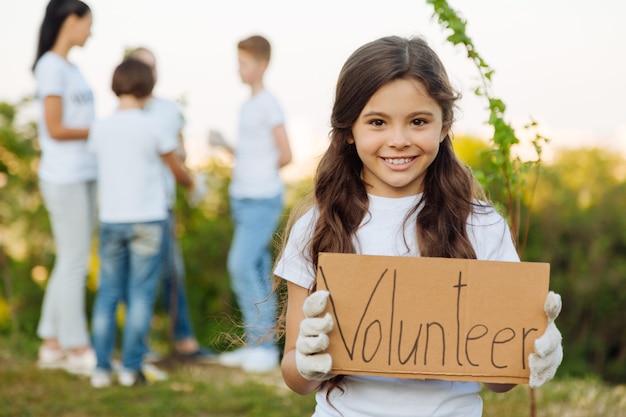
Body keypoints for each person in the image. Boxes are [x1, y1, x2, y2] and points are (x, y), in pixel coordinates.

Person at [273, 35, 563, 416]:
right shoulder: (318, 224)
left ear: (444, 126)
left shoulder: (481, 225)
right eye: (377, 122)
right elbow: (295, 377)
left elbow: (500, 380)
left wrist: (533, 350)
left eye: (418, 121)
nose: (398, 140)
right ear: (348, 129)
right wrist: (308, 361)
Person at [87, 58, 195, 387]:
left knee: (108, 294)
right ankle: (131, 368)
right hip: (148, 220)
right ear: (147, 87)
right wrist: (192, 185)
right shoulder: (152, 126)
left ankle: (101, 368)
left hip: (111, 220)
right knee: (140, 295)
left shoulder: (100, 127)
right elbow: (176, 169)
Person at [125, 46, 214, 363]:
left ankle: (183, 341)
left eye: (153, 66)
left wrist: (173, 157)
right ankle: (138, 345)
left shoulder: (167, 109)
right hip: (130, 206)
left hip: (161, 204)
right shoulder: (125, 111)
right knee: (136, 277)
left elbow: (181, 153)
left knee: (172, 274)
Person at [216, 34, 292, 373]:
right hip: (242, 198)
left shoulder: (269, 104)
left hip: (262, 198)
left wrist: (259, 173)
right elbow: (251, 155)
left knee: (241, 265)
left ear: (261, 65)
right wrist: (226, 147)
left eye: (244, 63)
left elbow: (286, 154)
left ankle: (263, 347)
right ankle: (256, 344)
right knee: (257, 269)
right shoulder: (247, 105)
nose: (238, 69)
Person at [32, 0, 97, 375]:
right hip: (64, 176)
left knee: (69, 257)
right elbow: (55, 128)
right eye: (88, 23)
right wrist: (101, 131)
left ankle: (52, 341)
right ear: (71, 20)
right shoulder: (50, 67)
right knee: (74, 261)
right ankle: (76, 346)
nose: (90, 31)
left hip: (83, 173)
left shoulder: (72, 67)